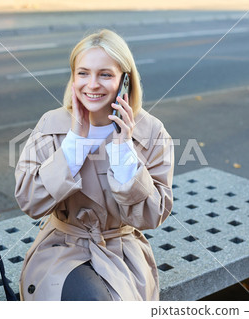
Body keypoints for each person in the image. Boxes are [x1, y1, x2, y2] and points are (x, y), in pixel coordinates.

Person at [15, 29, 174, 301]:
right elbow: (30, 201)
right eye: (83, 73)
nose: (92, 84)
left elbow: (152, 216)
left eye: (105, 74)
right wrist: (76, 138)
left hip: (121, 253)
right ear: (73, 78)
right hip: (61, 249)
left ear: (126, 80)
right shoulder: (51, 125)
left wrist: (124, 149)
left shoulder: (151, 131)